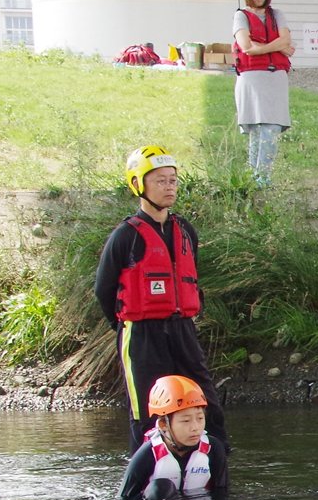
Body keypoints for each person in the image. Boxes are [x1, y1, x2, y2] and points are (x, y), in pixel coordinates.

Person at [95, 147, 228, 453]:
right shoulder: (125, 237)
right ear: (139, 185)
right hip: (141, 334)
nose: (170, 187)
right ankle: (143, 475)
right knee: (146, 410)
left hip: (182, 329)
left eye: (173, 181)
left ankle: (214, 468)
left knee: (205, 400)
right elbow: (104, 291)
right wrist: (127, 327)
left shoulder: (185, 231)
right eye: (160, 181)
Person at [119, 376, 230, 500]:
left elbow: (222, 494)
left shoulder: (213, 448)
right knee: (160, 489)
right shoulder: (148, 454)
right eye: (186, 421)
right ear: (164, 425)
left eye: (200, 418)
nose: (195, 428)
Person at [231, 0, 294, 186]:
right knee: (256, 132)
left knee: (272, 128)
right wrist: (274, 47)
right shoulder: (241, 16)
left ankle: (262, 179)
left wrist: (261, 48)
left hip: (275, 78)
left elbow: (286, 41)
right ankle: (254, 180)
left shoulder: (277, 15)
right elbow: (245, 45)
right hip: (251, 78)